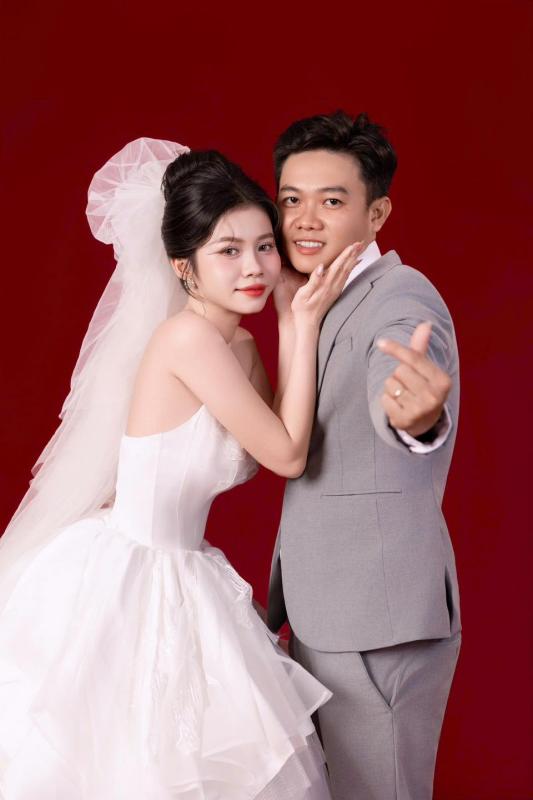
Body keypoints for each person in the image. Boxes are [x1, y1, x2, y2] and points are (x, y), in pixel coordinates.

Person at [0, 137, 362, 799]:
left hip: (186, 568)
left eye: (264, 246)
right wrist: (303, 323)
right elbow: (286, 452)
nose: (254, 267)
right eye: (228, 251)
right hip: (132, 572)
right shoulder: (187, 339)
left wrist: (289, 319)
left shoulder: (237, 344)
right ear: (183, 268)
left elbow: (284, 432)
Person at [267, 111, 462, 800]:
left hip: (377, 623)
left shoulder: (401, 297)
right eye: (291, 200)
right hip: (328, 607)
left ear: (376, 213)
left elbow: (400, 380)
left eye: (331, 200)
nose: (304, 220)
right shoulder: (318, 299)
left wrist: (416, 415)